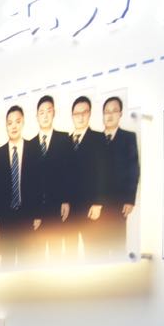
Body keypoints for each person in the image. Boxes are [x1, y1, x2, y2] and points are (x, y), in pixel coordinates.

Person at [0, 105, 36, 264]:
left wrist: (37, 214)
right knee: (7, 264)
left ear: (23, 122)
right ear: (6, 126)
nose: (14, 126)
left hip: (28, 217)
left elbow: (38, 184)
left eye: (17, 121)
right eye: (10, 123)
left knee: (28, 264)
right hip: (5, 220)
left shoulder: (33, 148)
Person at [101, 96, 140, 254]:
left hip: (119, 202)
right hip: (97, 203)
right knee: (97, 247)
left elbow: (133, 169)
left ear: (121, 114)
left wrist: (130, 199)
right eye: (106, 112)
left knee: (117, 245)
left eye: (114, 111)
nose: (110, 115)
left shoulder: (128, 137)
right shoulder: (95, 138)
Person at [68, 96, 108, 255]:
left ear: (90, 113)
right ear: (72, 116)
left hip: (90, 206)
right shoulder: (65, 141)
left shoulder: (99, 138)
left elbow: (104, 173)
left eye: (84, 112)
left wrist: (98, 203)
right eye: (77, 114)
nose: (80, 117)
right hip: (69, 208)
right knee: (69, 252)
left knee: (93, 250)